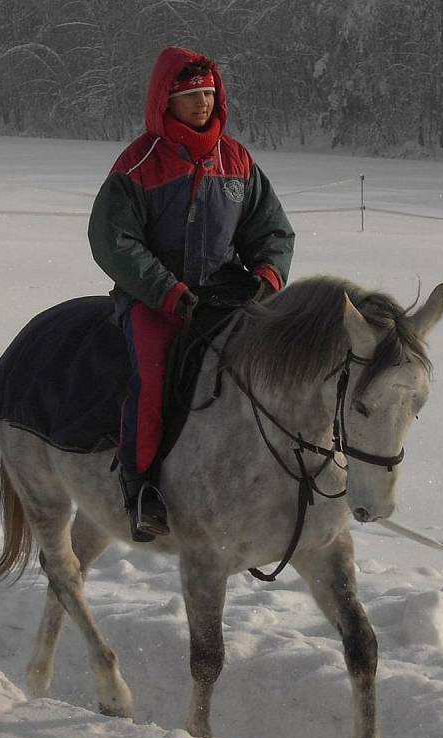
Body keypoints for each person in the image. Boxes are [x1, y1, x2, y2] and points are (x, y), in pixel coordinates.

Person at [88, 46, 294, 542]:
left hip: (224, 297)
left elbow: (272, 232)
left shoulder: (238, 161)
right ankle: (141, 489)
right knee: (153, 378)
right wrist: (167, 291)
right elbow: (112, 240)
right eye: (189, 95)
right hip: (153, 299)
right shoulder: (137, 165)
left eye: (207, 94)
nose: (202, 104)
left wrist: (266, 276)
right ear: (166, 100)